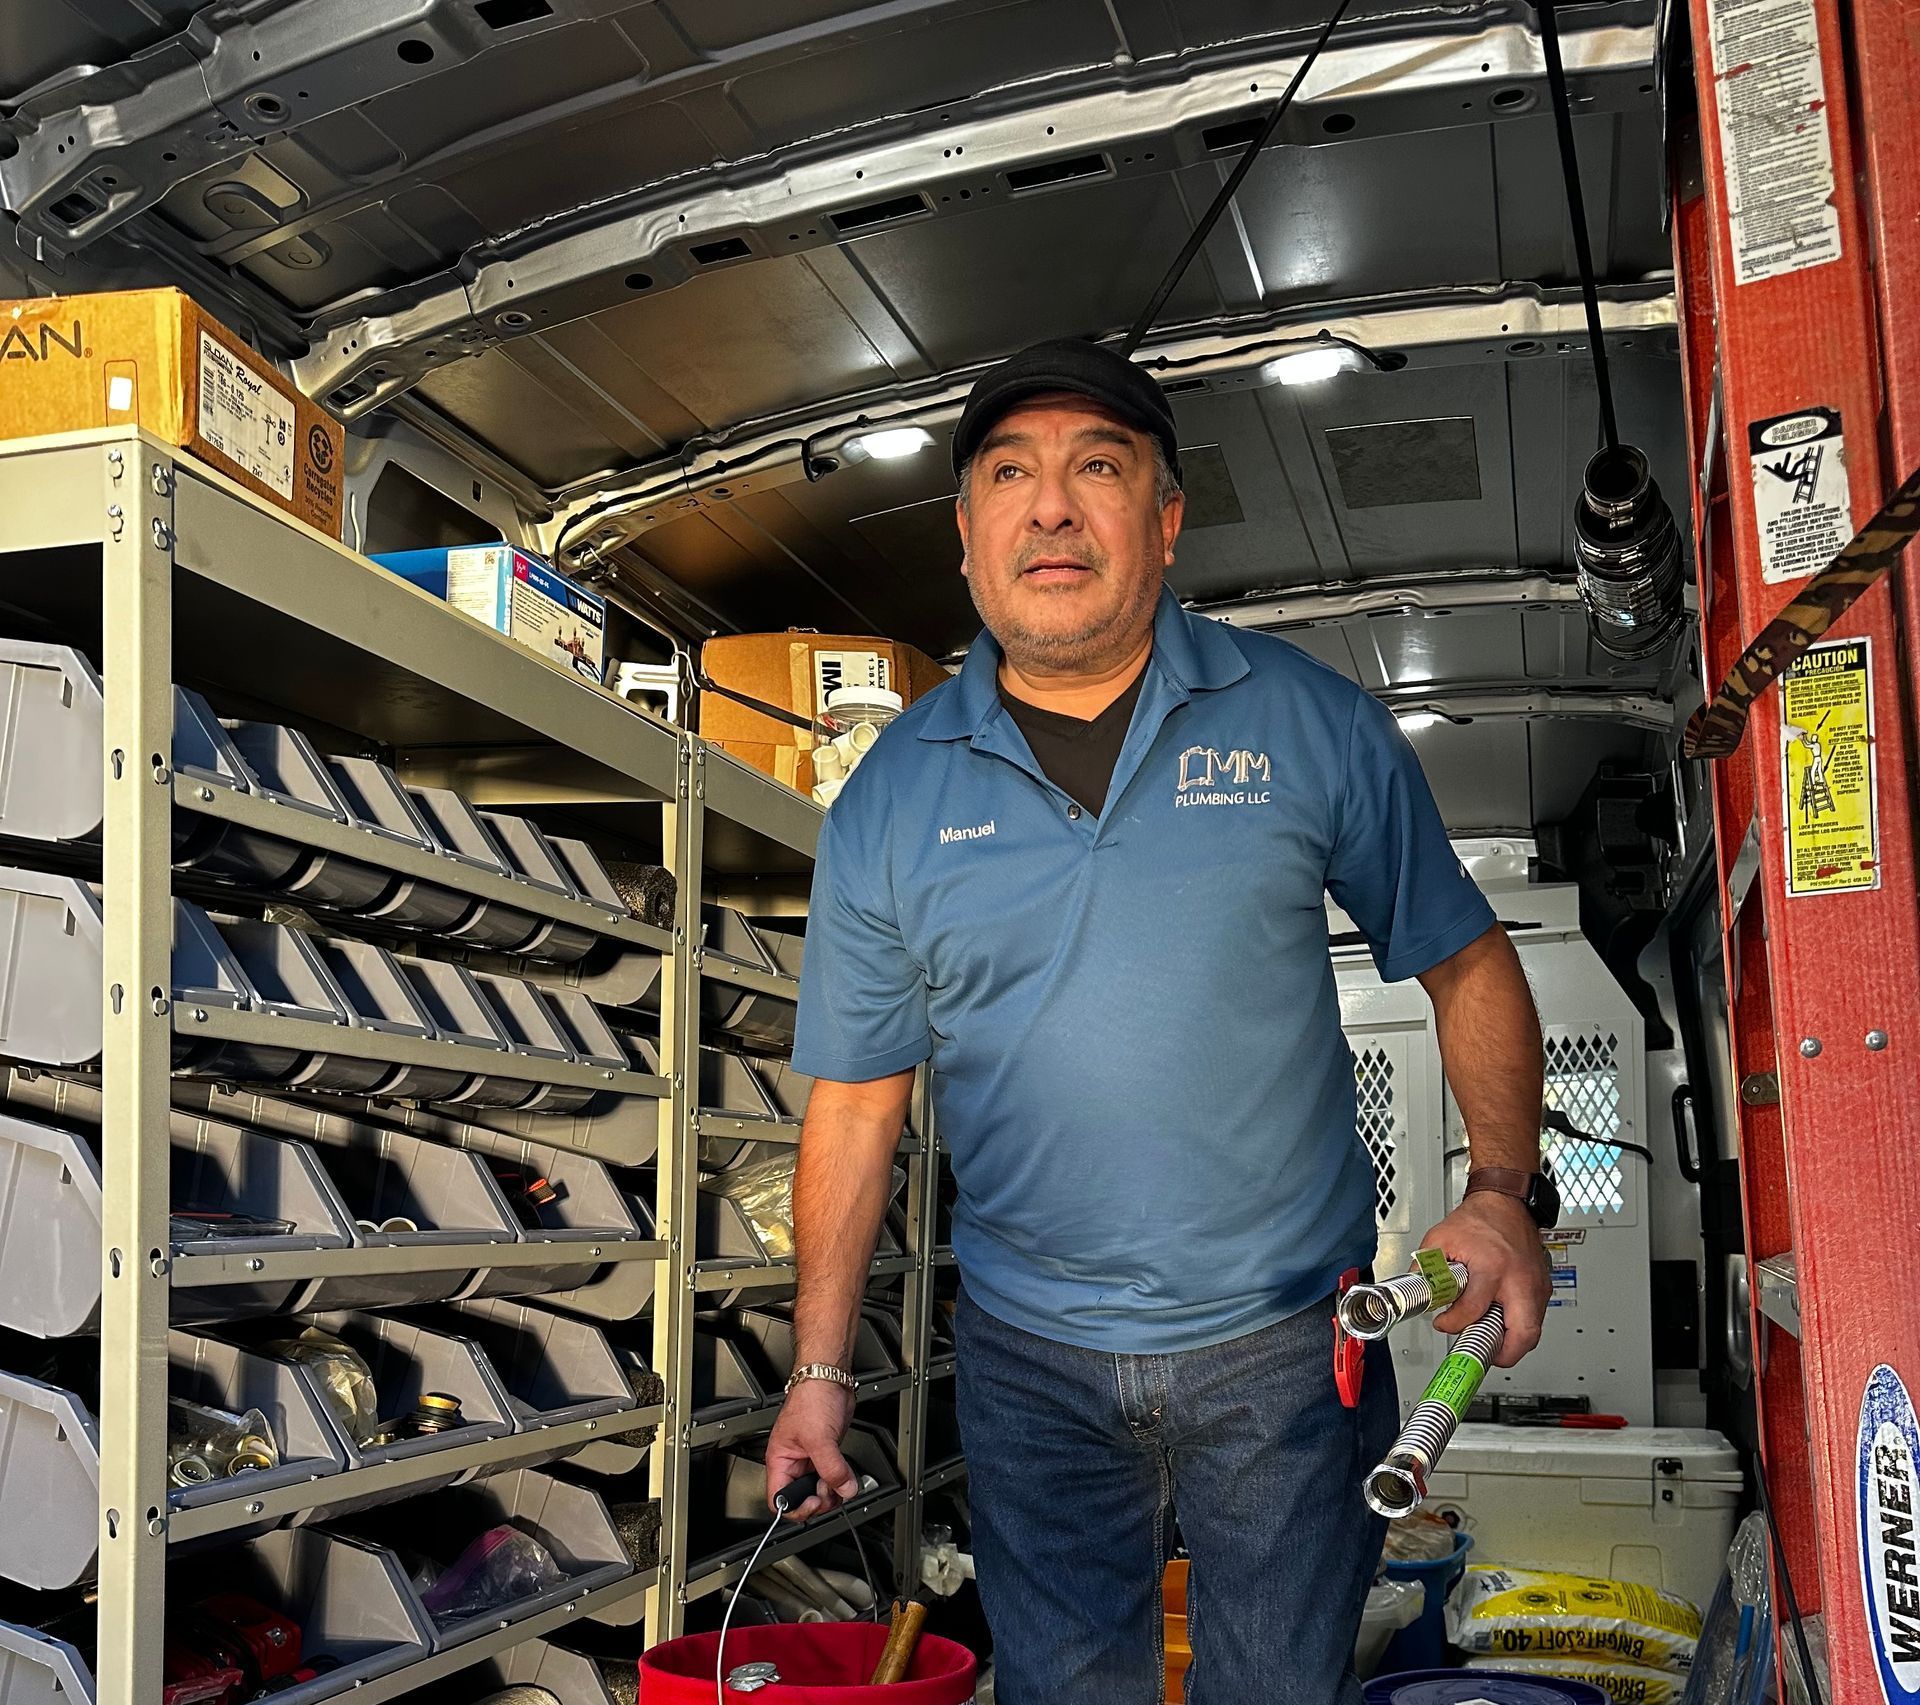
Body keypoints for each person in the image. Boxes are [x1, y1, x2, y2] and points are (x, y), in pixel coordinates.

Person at [766, 337, 1552, 1704]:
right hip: (1027, 1355)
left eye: (1098, 468)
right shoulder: (891, 796)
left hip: (1290, 1345)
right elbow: (854, 1097)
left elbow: (1466, 961)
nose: (1052, 507)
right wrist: (819, 1368)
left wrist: (1498, 1191)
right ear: (965, 535)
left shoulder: (1308, 725)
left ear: (1167, 520)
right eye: (1008, 475)